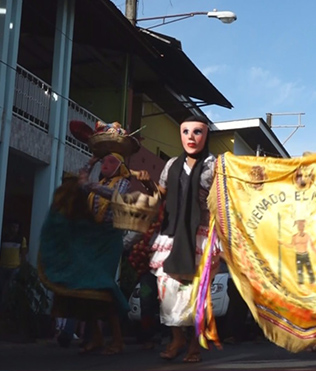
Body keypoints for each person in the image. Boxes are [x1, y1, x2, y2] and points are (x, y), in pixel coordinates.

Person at [39, 150, 144, 355]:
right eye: (103, 161)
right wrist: (92, 161)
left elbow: (118, 198)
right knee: (86, 289)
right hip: (91, 239)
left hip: (109, 240)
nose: (105, 164)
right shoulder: (99, 184)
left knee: (102, 286)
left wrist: (90, 186)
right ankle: (96, 337)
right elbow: (81, 183)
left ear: (120, 168)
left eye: (110, 161)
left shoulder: (122, 183)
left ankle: (117, 340)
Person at [148, 115, 217, 363]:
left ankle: (194, 344)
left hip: (200, 235)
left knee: (195, 293)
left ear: (205, 136)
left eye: (197, 132)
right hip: (172, 233)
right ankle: (177, 338)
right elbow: (162, 194)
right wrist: (148, 185)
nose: (191, 137)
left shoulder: (215, 166)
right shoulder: (172, 164)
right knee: (166, 288)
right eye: (186, 131)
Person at [0, 220, 27, 307]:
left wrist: (22, 266)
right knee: (2, 287)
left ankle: (8, 307)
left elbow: (23, 253)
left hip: (15, 267)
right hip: (3, 266)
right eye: (13, 227)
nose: (14, 229)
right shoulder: (3, 237)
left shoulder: (21, 239)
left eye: (16, 227)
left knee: (10, 288)